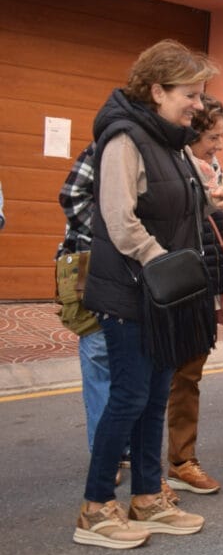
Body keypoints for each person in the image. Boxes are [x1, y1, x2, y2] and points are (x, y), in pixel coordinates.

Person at [76, 39, 223, 549]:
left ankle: (147, 498)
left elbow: (170, 200)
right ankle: (96, 508)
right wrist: (162, 262)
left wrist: (210, 199)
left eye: (200, 94)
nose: (198, 104)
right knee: (129, 397)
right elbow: (120, 222)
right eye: (190, 93)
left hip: (165, 294)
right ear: (157, 90)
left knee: (154, 397)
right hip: (132, 292)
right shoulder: (124, 138)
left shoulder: (171, 140)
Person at [163, 95, 223, 496]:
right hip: (166, 285)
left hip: (200, 283)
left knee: (189, 375)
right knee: (155, 378)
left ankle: (181, 461)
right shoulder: (166, 166)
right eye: (212, 136)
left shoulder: (211, 170)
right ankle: (136, 462)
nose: (219, 145)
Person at [55, 144, 110, 457]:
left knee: (128, 365)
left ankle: (121, 447)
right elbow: (72, 196)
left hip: (136, 274)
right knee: (100, 355)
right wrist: (112, 236)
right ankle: (105, 452)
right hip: (94, 267)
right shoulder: (104, 147)